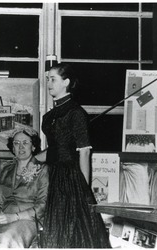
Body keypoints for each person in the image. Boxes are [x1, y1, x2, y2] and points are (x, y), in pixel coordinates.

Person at [37, 63, 111, 248]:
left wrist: (84, 190)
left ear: (66, 82)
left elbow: (84, 152)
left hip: (71, 178)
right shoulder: (49, 116)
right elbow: (53, 150)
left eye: (53, 79)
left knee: (74, 232)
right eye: (48, 79)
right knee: (55, 229)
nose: (49, 84)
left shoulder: (76, 113)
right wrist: (30, 161)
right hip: (52, 175)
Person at [0, 127, 49, 248]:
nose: (21, 147)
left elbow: (42, 206)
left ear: (33, 146)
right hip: (3, 217)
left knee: (7, 239)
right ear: (12, 148)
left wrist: (14, 217)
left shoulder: (43, 170)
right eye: (17, 143)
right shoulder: (6, 170)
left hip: (28, 219)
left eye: (25, 143)